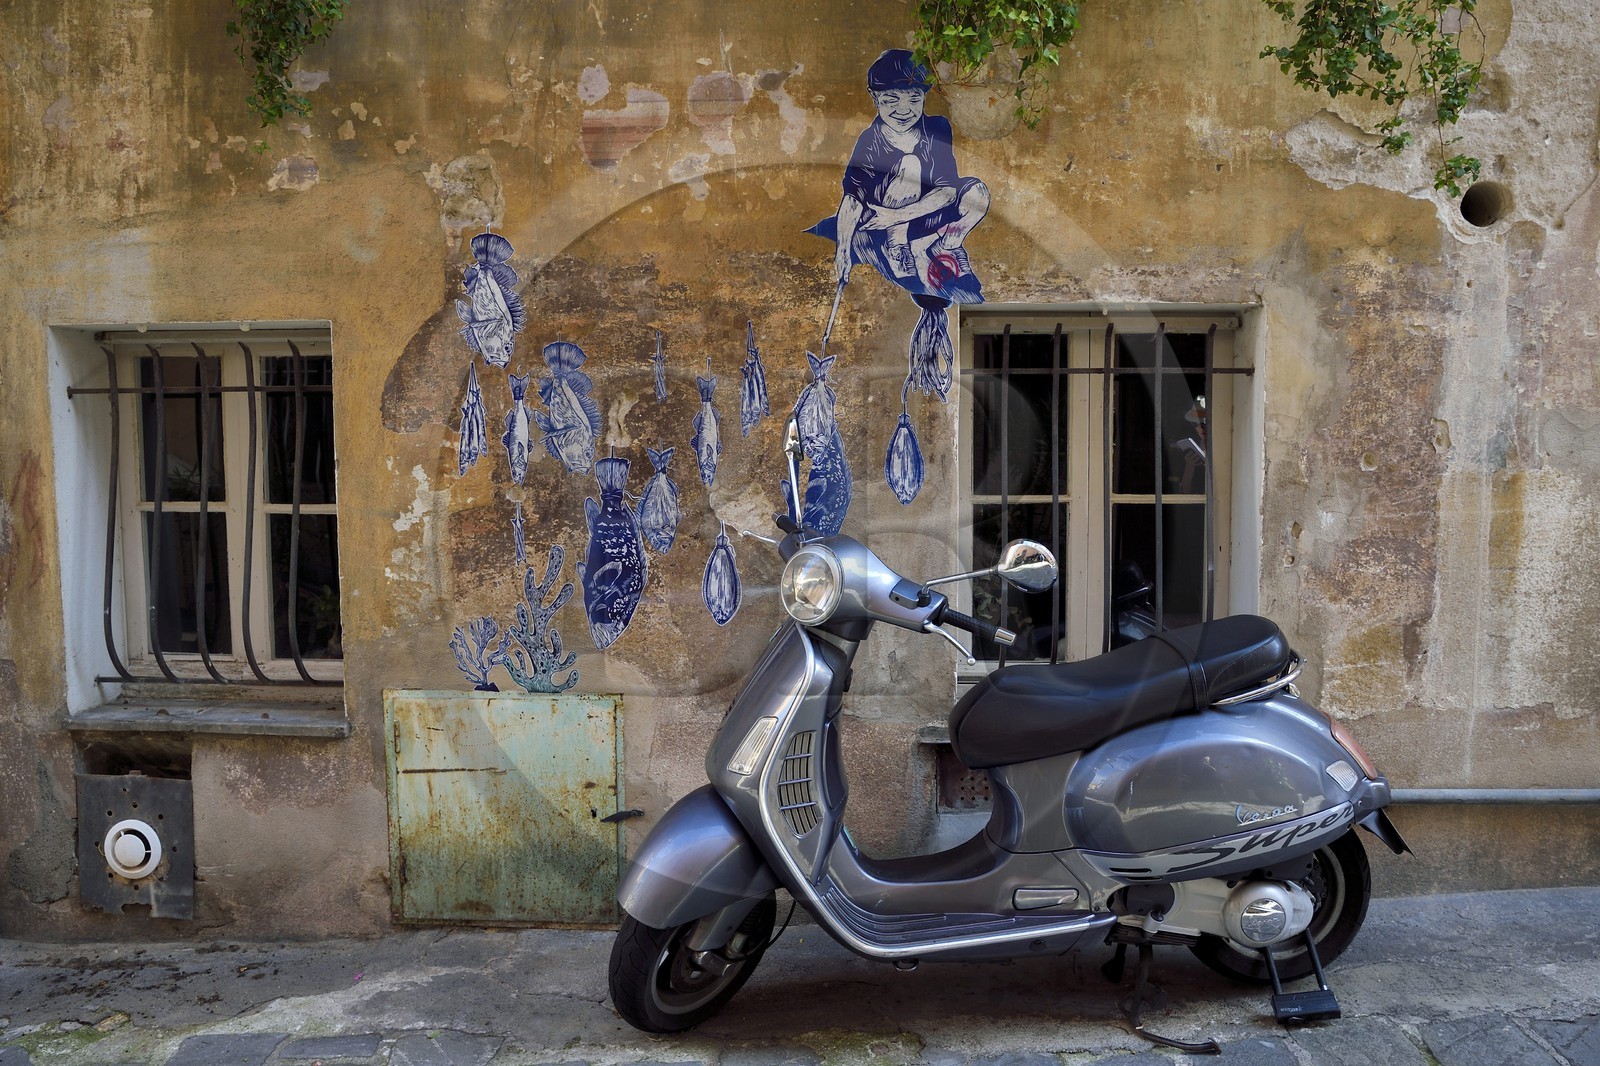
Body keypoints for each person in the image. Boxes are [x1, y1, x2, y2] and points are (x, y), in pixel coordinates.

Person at [809, 49, 988, 305]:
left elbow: (948, 190)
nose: (904, 110)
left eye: (914, 99)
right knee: (911, 165)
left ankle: (947, 244)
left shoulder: (937, 128)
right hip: (885, 222)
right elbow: (852, 199)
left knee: (978, 192)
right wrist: (843, 251)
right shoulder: (870, 141)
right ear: (875, 97)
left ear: (923, 97)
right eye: (892, 99)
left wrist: (899, 215)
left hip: (920, 214)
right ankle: (898, 246)